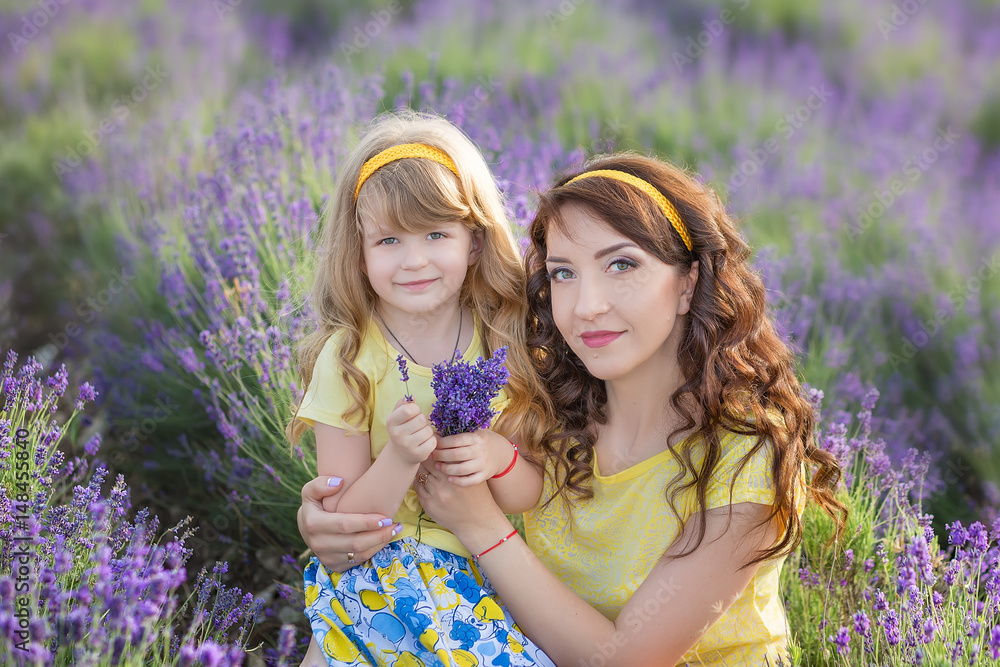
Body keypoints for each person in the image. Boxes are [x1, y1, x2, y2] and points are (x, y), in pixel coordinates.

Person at [298, 152, 846, 666]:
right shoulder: (547, 411)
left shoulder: (742, 458)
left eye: (622, 265)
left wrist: (482, 526)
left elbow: (625, 660)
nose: (587, 306)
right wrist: (328, 522)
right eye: (563, 273)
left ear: (689, 283)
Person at [286, 110, 556, 667]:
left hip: (485, 577)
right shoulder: (351, 359)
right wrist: (401, 458)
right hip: (378, 578)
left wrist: (498, 458)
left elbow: (529, 494)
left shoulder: (502, 344)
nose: (414, 261)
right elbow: (343, 522)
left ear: (475, 243)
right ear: (358, 252)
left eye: (437, 235)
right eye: (388, 240)